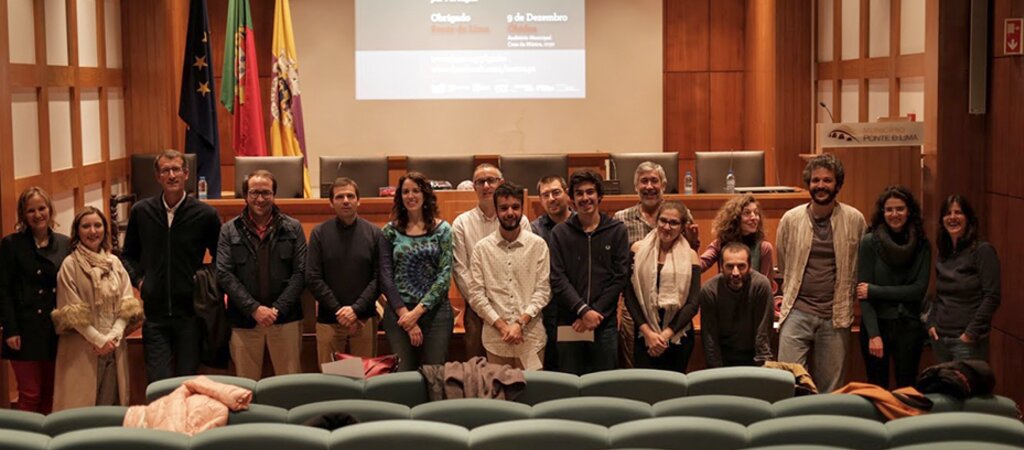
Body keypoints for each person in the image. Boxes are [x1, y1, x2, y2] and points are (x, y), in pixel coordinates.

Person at [121, 149, 221, 383]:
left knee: (187, 383)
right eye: (165, 170)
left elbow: (222, 258)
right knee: (159, 383)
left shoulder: (205, 214)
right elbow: (128, 256)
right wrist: (141, 282)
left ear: (186, 174)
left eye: (176, 169)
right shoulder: (141, 212)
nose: (172, 175)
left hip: (191, 315)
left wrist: (202, 282)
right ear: (158, 177)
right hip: (155, 317)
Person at [776, 154, 865, 392]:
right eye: (816, 180)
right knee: (787, 381)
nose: (821, 185)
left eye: (827, 180)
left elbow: (860, 264)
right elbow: (783, 263)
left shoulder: (855, 219)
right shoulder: (790, 219)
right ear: (809, 183)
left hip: (836, 316)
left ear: (838, 184)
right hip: (796, 311)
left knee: (831, 388)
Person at [216, 170, 306, 380]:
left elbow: (301, 272)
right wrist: (254, 309)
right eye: (254, 193)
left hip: (285, 319)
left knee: (290, 384)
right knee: (246, 386)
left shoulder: (293, 228)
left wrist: (277, 309)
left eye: (266, 193)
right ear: (245, 195)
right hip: (244, 319)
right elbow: (224, 274)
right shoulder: (229, 230)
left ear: (274, 195)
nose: (260, 199)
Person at [52, 207, 144, 410]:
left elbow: (127, 302)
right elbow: (70, 311)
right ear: (77, 231)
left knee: (111, 406)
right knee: (82, 410)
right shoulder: (70, 265)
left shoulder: (114, 263)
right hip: (83, 348)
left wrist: (114, 335)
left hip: (114, 346)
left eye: (97, 225)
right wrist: (99, 340)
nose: (93, 231)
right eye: (86, 226)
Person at [614, 162, 699, 368]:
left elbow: (690, 254)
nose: (649, 186)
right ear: (636, 186)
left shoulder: (681, 212)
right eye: (644, 181)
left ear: (664, 185)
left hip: (676, 321)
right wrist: (647, 332)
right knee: (635, 372)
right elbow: (623, 276)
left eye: (654, 181)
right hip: (637, 316)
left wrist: (666, 334)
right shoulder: (621, 219)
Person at [549, 169, 629, 374]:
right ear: (572, 199)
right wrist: (583, 311)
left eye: (590, 192)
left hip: (604, 322)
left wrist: (595, 313)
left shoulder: (617, 230)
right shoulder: (560, 233)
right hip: (570, 322)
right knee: (569, 382)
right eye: (579, 193)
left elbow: (620, 277)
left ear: (599, 195)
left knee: (604, 383)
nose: (585, 198)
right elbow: (557, 278)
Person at [0, 187, 70, 413]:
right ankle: (26, 434)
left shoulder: (64, 243)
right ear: (23, 214)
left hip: (53, 329)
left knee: (51, 392)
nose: (38, 215)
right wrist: (10, 330)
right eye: (31, 211)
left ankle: (48, 434)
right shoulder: (11, 244)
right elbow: (4, 290)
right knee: (30, 393)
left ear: (50, 210)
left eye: (42, 208)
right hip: (24, 329)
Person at [467, 183, 550, 369]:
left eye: (515, 207)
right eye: (504, 208)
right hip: (496, 341)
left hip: (530, 339)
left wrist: (520, 324)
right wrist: (503, 327)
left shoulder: (538, 246)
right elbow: (476, 295)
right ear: (496, 211)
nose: (510, 212)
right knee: (499, 388)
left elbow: (543, 290)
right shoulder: (482, 249)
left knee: (532, 388)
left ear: (522, 209)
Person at [452, 164, 530, 360]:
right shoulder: (462, 223)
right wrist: (483, 307)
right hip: (477, 309)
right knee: (478, 367)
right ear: (474, 187)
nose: (486, 186)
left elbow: (526, 265)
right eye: (480, 182)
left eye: (491, 180)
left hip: (515, 305)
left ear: (500, 183)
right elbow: (460, 270)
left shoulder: (520, 220)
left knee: (518, 366)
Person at [856, 186, 931, 388]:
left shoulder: (922, 245)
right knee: (876, 388)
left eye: (900, 209)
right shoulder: (869, 242)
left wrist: (875, 290)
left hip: (909, 326)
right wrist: (874, 335)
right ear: (882, 212)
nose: (894, 214)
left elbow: (918, 290)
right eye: (889, 209)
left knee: (907, 388)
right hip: (876, 325)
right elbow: (863, 294)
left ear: (909, 211)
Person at [379, 171, 454, 371]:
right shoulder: (389, 231)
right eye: (405, 192)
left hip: (436, 313)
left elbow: (445, 275)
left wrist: (418, 312)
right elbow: (385, 277)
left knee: (434, 373)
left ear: (425, 194)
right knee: (403, 375)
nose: (410, 196)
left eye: (416, 191)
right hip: (399, 314)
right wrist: (407, 316)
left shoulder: (443, 230)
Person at [307, 177, 382, 365]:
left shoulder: (374, 233)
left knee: (365, 376)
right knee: (330, 377)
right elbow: (313, 277)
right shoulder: (319, 233)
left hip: (364, 318)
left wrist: (355, 310)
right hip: (329, 319)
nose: (346, 201)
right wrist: (339, 311)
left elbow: (379, 278)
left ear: (359, 200)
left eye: (350, 196)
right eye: (340, 197)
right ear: (331, 203)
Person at [928, 195, 1000, 362]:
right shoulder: (944, 252)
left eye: (958, 212)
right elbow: (938, 295)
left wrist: (970, 334)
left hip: (967, 342)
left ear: (968, 219)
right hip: (940, 339)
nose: (952, 217)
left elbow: (992, 297)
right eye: (947, 213)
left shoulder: (982, 250)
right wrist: (931, 323)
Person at [699, 242, 774, 368]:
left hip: (753, 354)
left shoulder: (761, 285)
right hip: (723, 356)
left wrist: (762, 367)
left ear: (750, 266)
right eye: (729, 266)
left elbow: (763, 332)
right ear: (721, 267)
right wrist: (716, 370)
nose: (735, 272)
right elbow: (710, 337)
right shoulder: (709, 290)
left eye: (741, 266)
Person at [531, 175, 573, 371]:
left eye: (556, 193)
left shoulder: (582, 223)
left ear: (567, 193)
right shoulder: (534, 230)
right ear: (540, 200)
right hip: (546, 310)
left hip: (576, 308)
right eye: (545, 195)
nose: (551, 199)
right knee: (552, 367)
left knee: (576, 367)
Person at [700, 194, 775, 280]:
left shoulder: (764, 247)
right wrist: (694, 245)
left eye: (756, 213)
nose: (754, 217)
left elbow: (764, 284)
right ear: (735, 218)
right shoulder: (720, 243)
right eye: (747, 213)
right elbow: (700, 266)